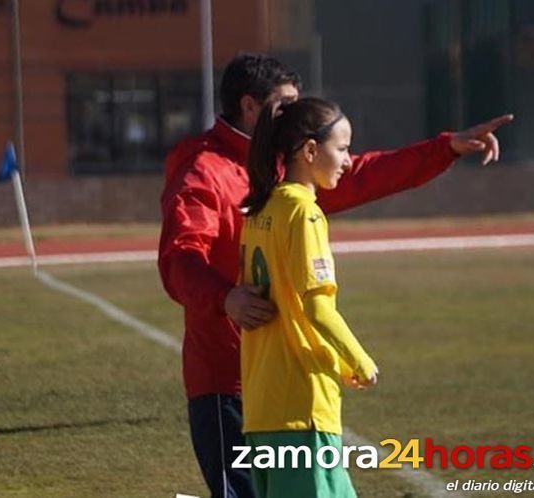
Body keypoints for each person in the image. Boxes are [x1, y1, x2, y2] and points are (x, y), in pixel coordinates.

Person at [158, 53, 512, 498]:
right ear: (250, 107)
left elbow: (361, 173)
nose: (295, 116)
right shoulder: (204, 169)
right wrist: (226, 297)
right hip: (227, 379)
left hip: (283, 379)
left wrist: (445, 148)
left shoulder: (281, 171)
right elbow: (179, 258)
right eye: (284, 106)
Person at [240, 97, 376, 497]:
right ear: (311, 150)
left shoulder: (259, 211)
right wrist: (360, 360)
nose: (349, 161)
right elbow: (318, 309)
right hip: (300, 406)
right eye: (343, 148)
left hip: (263, 403)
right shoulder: (304, 214)